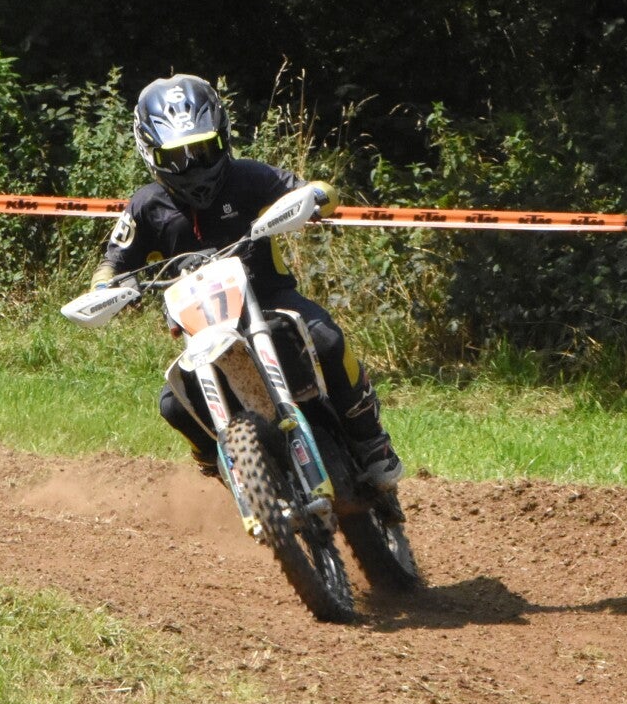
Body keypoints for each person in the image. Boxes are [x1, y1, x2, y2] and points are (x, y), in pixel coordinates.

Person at [90, 73, 403, 489]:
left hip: (271, 298)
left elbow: (311, 190)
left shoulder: (250, 177)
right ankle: (217, 461)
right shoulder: (147, 206)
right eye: (178, 157)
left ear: (223, 137)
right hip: (203, 328)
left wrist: (315, 196)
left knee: (327, 339)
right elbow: (114, 259)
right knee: (174, 406)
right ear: (151, 153)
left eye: (204, 150)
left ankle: (371, 440)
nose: (194, 166)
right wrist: (105, 288)